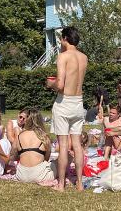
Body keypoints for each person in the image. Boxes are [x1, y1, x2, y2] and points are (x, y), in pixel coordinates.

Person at [47, 26, 88, 192]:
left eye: (61, 39)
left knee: (63, 145)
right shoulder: (84, 57)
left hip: (64, 102)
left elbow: (61, 85)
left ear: (65, 38)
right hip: (79, 102)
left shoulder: (63, 56)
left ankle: (61, 185)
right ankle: (79, 184)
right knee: (77, 144)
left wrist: (50, 84)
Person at [11, 108, 56, 183]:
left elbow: (12, 156)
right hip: (40, 176)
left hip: (22, 175)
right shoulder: (44, 137)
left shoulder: (20, 136)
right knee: (56, 163)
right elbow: (46, 158)